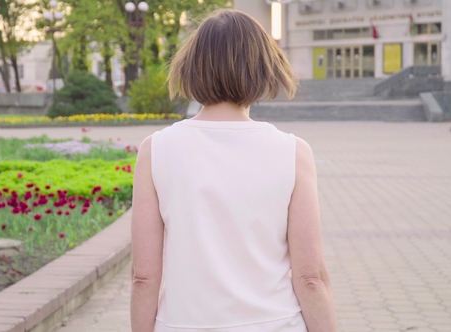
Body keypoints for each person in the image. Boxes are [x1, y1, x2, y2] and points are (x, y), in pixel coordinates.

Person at [130, 9, 337, 332]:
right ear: (263, 68)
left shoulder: (156, 149)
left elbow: (143, 277)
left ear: (191, 67)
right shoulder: (293, 152)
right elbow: (310, 277)